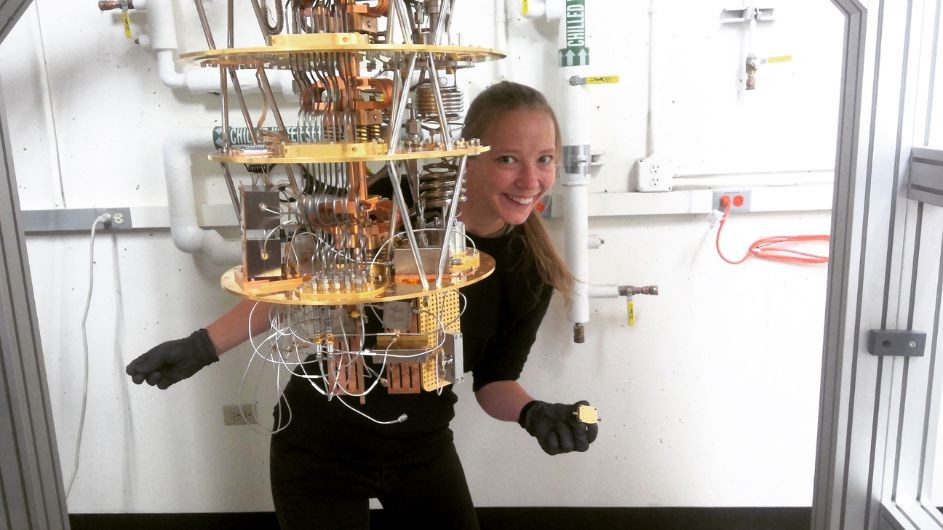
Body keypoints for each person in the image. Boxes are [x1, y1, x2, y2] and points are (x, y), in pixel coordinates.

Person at [126, 81, 599, 530]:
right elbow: (296, 288)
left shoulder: (531, 270)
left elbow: (494, 381)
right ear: (467, 155)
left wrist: (535, 413)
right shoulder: (389, 203)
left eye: (545, 160)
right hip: (319, 448)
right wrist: (201, 347)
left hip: (422, 449)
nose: (531, 180)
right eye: (507, 159)